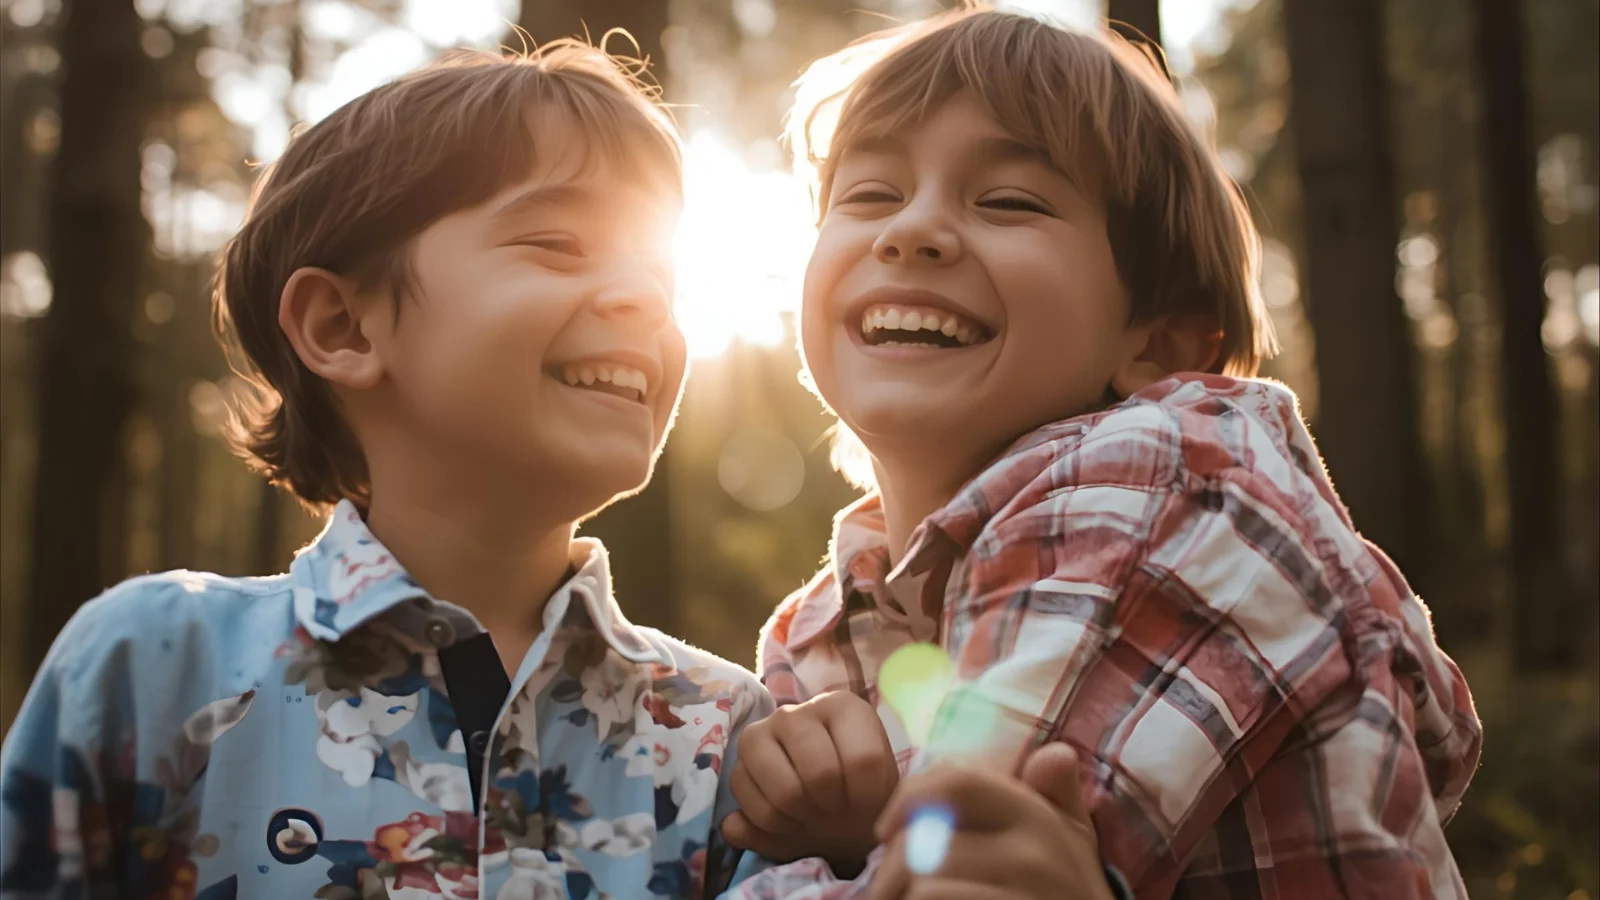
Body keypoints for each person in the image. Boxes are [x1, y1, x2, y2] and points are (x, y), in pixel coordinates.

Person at [721, 7, 1482, 899]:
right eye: (869, 195)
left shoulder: (1162, 482)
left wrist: (862, 839)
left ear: (1156, 345)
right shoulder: (817, 623)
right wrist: (857, 825)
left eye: (1008, 201)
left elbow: (964, 870)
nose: (911, 229)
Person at [0, 43, 773, 900]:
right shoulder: (155, 666)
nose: (649, 301)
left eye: (661, 271)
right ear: (342, 327)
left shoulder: (727, 733)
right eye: (557, 243)